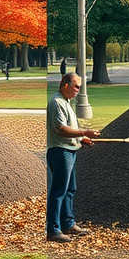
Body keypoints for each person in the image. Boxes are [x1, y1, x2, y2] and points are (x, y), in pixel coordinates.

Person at [46, 73, 100, 242]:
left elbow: (68, 130)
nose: (79, 90)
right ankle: (53, 230)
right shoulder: (56, 102)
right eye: (76, 86)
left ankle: (68, 224)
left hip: (69, 150)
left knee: (70, 190)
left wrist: (81, 139)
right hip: (60, 152)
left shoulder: (66, 103)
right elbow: (60, 129)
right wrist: (84, 131)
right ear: (65, 85)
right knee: (58, 192)